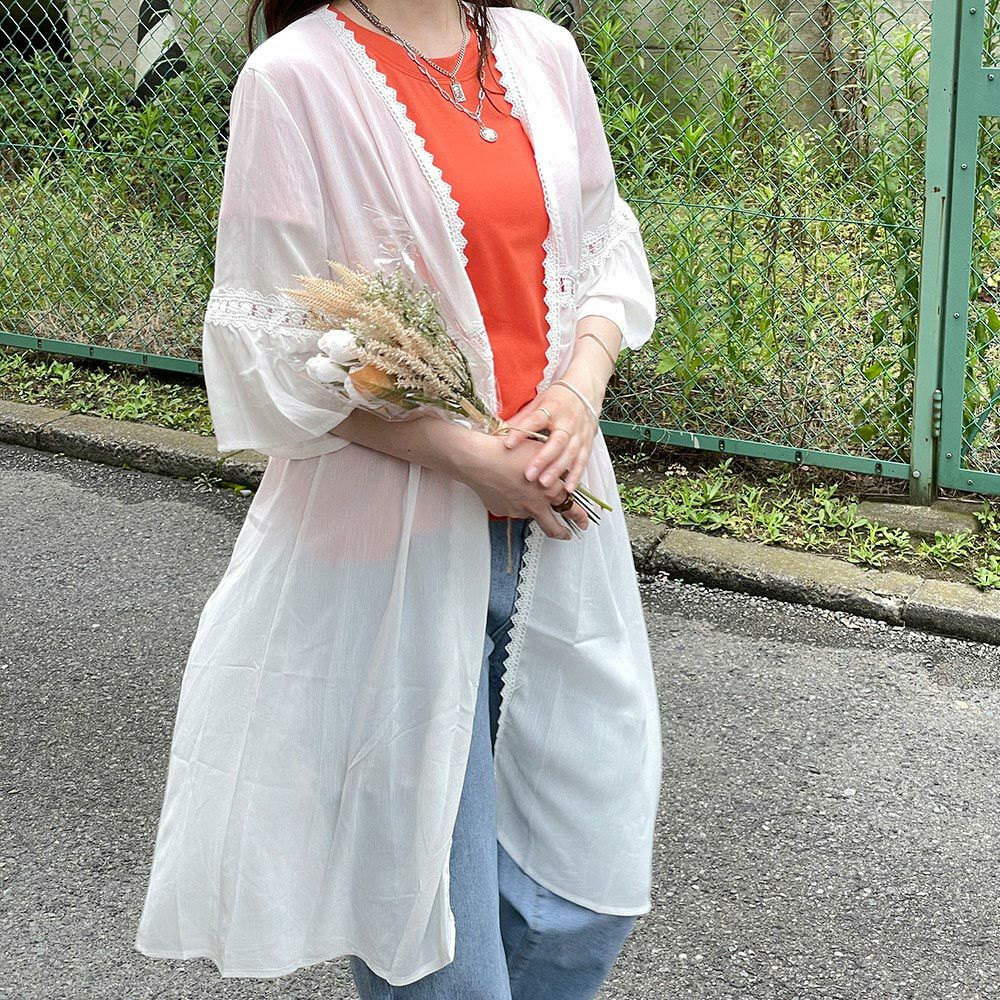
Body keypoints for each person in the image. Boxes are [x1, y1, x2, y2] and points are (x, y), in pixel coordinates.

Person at [134, 2, 662, 998]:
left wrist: (579, 391)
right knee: (436, 942)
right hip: (387, 555)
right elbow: (269, 345)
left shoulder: (543, 53)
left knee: (577, 903)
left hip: (558, 536)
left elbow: (604, 250)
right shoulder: (293, 79)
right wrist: (468, 457)